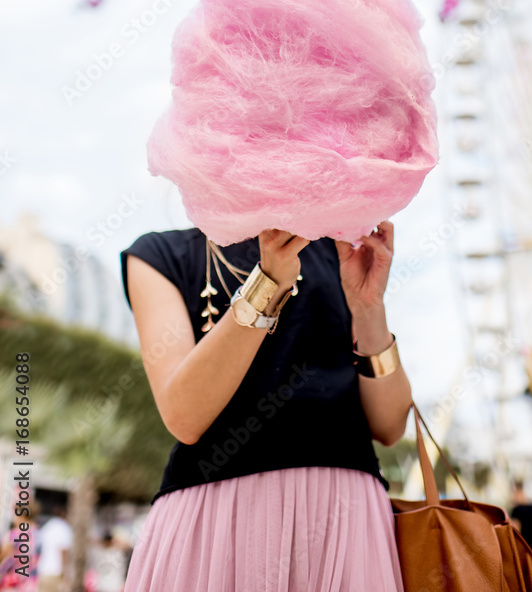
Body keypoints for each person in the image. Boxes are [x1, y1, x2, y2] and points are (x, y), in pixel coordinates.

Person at [120, 222, 412, 591]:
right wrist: (267, 281)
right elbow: (184, 416)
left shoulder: (340, 249)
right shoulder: (161, 254)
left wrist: (368, 306)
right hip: (218, 522)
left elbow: (390, 425)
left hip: (345, 517)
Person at [0, 506, 40, 590]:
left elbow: (3, 556)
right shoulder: (38, 535)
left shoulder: (14, 534)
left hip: (12, 582)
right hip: (30, 582)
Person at [36, 505, 71, 592]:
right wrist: (65, 573)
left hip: (42, 570)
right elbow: (63, 551)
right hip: (55, 572)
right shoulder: (64, 528)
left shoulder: (47, 527)